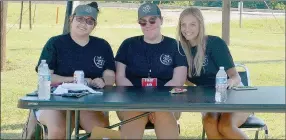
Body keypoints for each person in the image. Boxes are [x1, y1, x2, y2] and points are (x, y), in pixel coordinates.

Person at [34, 2, 115, 139]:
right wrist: (76, 80)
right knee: (59, 131)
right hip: (55, 100)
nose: (84, 24)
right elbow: (47, 77)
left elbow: (110, 74)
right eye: (80, 19)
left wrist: (102, 80)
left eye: (90, 21)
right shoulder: (55, 43)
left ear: (94, 25)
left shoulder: (102, 45)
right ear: (71, 19)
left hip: (89, 102)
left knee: (103, 134)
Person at [115, 2, 188, 139]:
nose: (148, 25)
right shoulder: (128, 45)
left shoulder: (175, 46)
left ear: (161, 20)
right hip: (132, 100)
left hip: (166, 101)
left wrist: (156, 102)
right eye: (143, 22)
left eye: (152, 20)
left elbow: (178, 80)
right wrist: (140, 101)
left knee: (163, 112)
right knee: (134, 112)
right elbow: (120, 77)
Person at [177, 7, 250, 139]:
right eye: (183, 24)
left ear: (200, 24)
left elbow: (235, 77)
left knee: (225, 127)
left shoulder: (215, 43)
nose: (187, 29)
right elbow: (185, 79)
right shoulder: (180, 49)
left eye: (192, 24)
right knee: (210, 123)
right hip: (209, 101)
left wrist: (227, 83)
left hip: (233, 95)